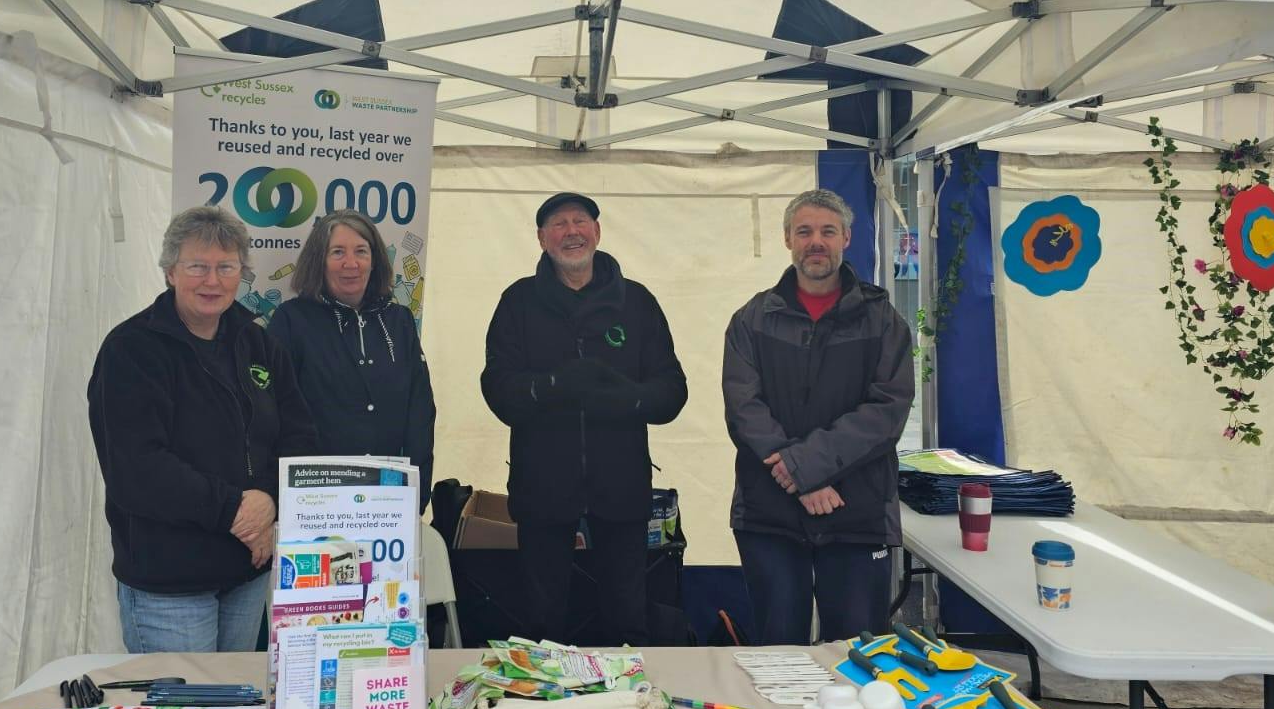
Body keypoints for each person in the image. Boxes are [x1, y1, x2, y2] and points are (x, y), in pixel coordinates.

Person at [88, 206, 318, 652]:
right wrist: (235, 510)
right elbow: (138, 469)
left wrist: (271, 499)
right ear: (171, 271)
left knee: (234, 698)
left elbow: (298, 436)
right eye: (197, 266)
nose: (212, 280)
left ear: (241, 273)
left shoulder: (258, 343)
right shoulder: (131, 351)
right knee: (186, 700)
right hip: (170, 585)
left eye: (225, 267)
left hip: (246, 572)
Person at [480, 193, 688, 646]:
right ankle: (544, 691)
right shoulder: (518, 302)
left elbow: (673, 393)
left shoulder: (637, 302)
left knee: (627, 620)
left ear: (597, 231)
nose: (571, 231)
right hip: (543, 490)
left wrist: (627, 398)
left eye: (580, 221)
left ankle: (629, 691)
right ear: (542, 239)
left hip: (622, 489)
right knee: (541, 625)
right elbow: (498, 390)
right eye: (558, 224)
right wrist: (553, 386)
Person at [723, 188, 914, 645]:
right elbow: (744, 408)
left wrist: (805, 467)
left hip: (856, 511)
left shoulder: (883, 321)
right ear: (787, 238)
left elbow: (887, 411)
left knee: (856, 652)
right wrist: (804, 477)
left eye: (828, 231)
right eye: (804, 231)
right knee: (778, 652)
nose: (816, 242)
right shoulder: (751, 319)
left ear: (846, 238)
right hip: (769, 512)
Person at [267, 209, 436, 511]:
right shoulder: (292, 320)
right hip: (315, 500)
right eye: (337, 252)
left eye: (361, 251)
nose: (351, 263)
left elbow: (420, 412)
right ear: (318, 260)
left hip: (387, 498)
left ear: (375, 260)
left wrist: (418, 494)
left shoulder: (399, 320)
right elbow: (274, 412)